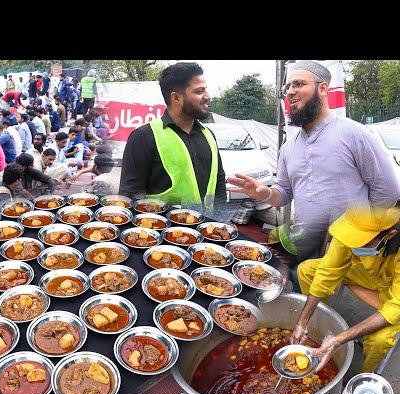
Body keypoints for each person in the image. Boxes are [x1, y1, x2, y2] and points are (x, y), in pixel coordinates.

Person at [227, 60, 400, 265]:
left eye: (299, 84)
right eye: (288, 86)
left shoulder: (353, 133)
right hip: (304, 245)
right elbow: (284, 193)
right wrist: (263, 193)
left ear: (323, 88)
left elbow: (388, 190)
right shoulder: (289, 148)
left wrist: (359, 232)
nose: (290, 91)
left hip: (348, 252)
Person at [294, 206, 400, 373]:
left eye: (361, 242)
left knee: (380, 340)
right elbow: (327, 272)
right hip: (367, 274)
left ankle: (360, 377)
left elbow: (394, 308)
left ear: (389, 235)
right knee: (307, 270)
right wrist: (302, 322)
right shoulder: (353, 224)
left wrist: (338, 340)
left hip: (395, 293)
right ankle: (320, 330)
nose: (351, 246)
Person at [119, 62, 225, 214]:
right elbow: (131, 194)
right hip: (162, 234)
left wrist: (220, 223)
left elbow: (219, 184)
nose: (207, 96)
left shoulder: (208, 135)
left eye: (205, 89)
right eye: (199, 91)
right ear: (176, 98)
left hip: (205, 232)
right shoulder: (144, 137)